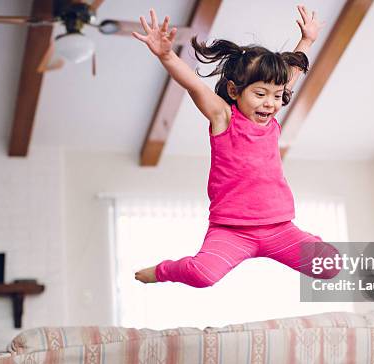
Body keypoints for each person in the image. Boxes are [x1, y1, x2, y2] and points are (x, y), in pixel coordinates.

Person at [133, 6, 340, 288]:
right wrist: (167, 55)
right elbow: (195, 86)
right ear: (234, 91)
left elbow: (290, 74)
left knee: (331, 266)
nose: (270, 103)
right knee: (202, 276)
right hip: (231, 232)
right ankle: (161, 271)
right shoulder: (224, 117)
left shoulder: (270, 118)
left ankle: (309, 240)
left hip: (279, 228)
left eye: (277, 96)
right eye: (259, 94)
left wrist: (307, 41)